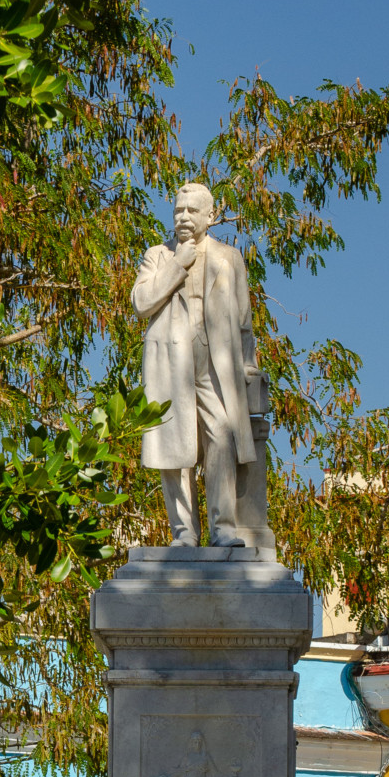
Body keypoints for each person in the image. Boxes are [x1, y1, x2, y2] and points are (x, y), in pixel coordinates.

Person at [131, 180, 260, 548]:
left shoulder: (228, 257)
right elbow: (141, 302)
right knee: (175, 448)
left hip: (214, 362)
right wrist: (176, 266)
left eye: (192, 211)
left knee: (221, 436)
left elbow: (243, 319)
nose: (183, 217)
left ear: (210, 215)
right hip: (171, 362)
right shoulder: (158, 255)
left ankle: (224, 528)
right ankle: (184, 533)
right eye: (178, 210)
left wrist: (248, 365)